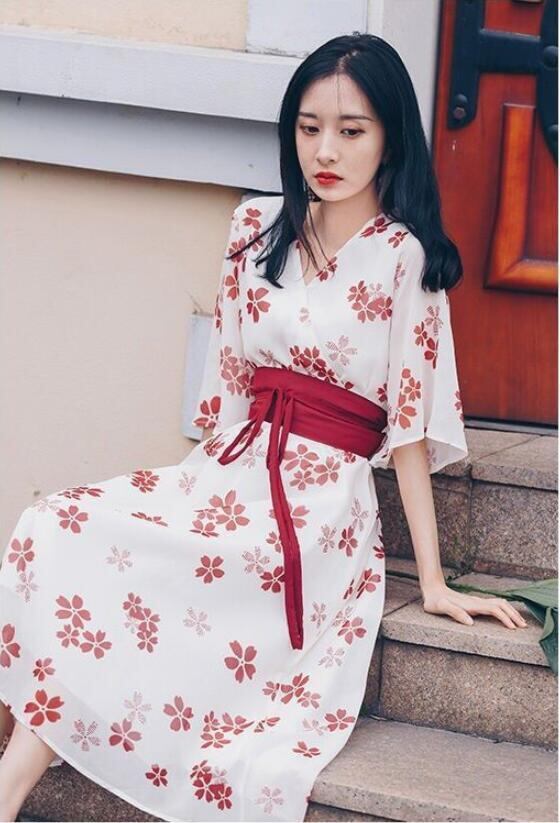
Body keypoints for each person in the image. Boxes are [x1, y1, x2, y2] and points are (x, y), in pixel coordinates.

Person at [0, 31, 527, 823]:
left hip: (319, 511)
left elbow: (409, 433)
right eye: (309, 127)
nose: (326, 150)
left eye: (351, 130)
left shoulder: (405, 259)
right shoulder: (255, 226)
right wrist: (190, 503)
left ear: (390, 139)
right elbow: (230, 391)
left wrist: (435, 581)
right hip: (235, 471)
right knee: (60, 523)